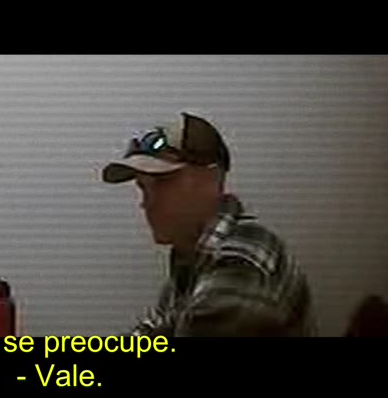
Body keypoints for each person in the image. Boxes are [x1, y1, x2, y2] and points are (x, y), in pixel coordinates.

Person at [101, 112, 315, 337]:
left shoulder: (246, 254)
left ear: (211, 179)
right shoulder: (190, 266)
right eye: (143, 188)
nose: (147, 203)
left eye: (163, 182)